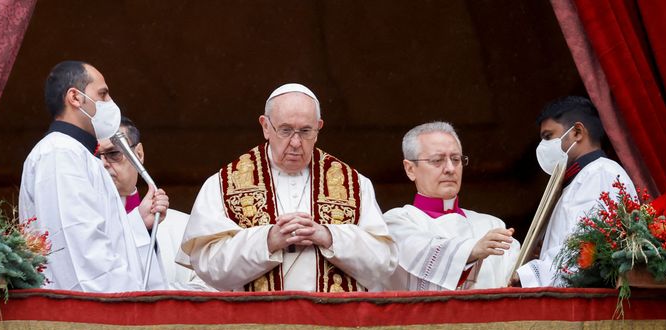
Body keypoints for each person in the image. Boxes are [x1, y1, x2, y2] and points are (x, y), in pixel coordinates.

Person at [179, 83, 396, 292]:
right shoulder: (223, 184)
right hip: (257, 326)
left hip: (333, 325)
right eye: (285, 130)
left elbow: (383, 264)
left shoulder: (355, 184)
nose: (295, 142)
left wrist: (329, 236)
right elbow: (208, 266)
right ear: (266, 126)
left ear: (319, 128)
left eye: (305, 131)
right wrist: (268, 240)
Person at [20, 60, 169, 292]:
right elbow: (79, 247)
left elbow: (105, 238)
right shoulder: (59, 153)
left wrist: (138, 223)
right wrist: (129, 301)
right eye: (103, 94)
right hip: (90, 313)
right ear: (75, 98)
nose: (111, 103)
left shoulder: (80, 155)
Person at [372, 122, 520, 291]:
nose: (450, 168)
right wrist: (472, 250)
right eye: (437, 160)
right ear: (410, 169)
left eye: (456, 159)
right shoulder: (394, 223)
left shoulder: (492, 225)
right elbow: (421, 252)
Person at [512, 96, 637, 287]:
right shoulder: (579, 179)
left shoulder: (600, 173)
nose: (543, 146)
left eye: (548, 136)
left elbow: (585, 251)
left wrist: (526, 275)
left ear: (577, 132)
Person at [97, 117, 210, 290]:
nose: (102, 164)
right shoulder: (78, 229)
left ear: (139, 154)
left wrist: (154, 297)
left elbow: (211, 290)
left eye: (113, 154)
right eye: (94, 156)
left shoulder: (185, 228)